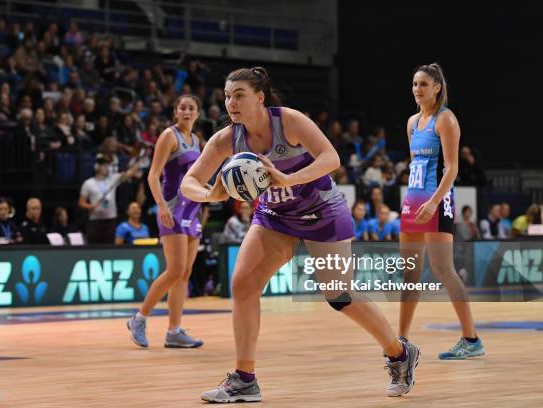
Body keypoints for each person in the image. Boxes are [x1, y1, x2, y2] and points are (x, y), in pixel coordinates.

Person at [180, 67, 420, 402]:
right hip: (275, 217)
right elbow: (189, 182)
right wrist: (211, 195)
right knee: (243, 284)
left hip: (322, 212)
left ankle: (399, 354)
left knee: (340, 297)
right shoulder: (226, 138)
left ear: (259, 97)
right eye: (226, 95)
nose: (230, 102)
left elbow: (331, 157)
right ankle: (244, 378)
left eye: (239, 95)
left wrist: (288, 178)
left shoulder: (289, 121)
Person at [399, 63, 484, 360]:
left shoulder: (445, 119)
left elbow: (452, 167)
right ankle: (401, 341)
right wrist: (413, 200)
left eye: (423, 84)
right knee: (409, 274)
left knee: (443, 269)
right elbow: (415, 165)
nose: (417, 89)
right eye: (414, 84)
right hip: (413, 201)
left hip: (438, 201)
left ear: (437, 87)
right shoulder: (412, 123)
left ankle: (471, 339)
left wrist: (434, 201)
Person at [127, 94, 205, 349]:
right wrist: (160, 204)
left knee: (184, 274)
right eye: (182, 107)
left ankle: (174, 331)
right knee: (174, 270)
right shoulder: (168, 136)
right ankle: (139, 318)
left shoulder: (197, 141)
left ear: (197, 113)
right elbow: (152, 175)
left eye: (191, 108)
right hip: (171, 209)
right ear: (175, 112)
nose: (186, 111)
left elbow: (197, 178)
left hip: (192, 210)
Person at [78, 156, 140, 244]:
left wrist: (139, 158)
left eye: (107, 165)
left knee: (109, 246)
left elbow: (131, 173)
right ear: (97, 167)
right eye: (104, 165)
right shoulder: (88, 183)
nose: (107, 167)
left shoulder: (113, 179)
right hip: (95, 221)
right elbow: (81, 202)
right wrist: (89, 206)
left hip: (110, 221)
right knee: (94, 247)